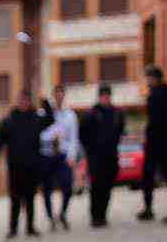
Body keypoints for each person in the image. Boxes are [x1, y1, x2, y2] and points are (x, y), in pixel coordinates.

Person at [0, 90, 54, 239]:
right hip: (15, 167)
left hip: (32, 166)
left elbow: (50, 119)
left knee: (31, 198)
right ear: (17, 101)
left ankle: (30, 227)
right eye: (21, 100)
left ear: (29, 102)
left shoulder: (36, 118)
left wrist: (44, 101)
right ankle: (13, 229)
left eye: (26, 100)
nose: (23, 102)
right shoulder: (9, 120)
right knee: (15, 199)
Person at [139, 65, 167, 223]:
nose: (147, 81)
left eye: (148, 78)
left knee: (150, 176)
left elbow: (156, 122)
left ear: (154, 78)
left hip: (158, 144)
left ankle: (150, 208)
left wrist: (149, 140)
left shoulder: (157, 95)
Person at [81, 85, 126, 228]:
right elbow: (83, 134)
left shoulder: (117, 113)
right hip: (96, 157)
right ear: (99, 97)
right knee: (96, 187)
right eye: (103, 96)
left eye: (108, 96)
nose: (106, 98)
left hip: (111, 155)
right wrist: (90, 151)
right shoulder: (91, 114)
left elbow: (119, 131)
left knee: (108, 187)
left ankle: (103, 215)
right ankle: (96, 217)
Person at [39, 84, 79, 231]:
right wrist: (50, 137)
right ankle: (51, 218)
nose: (59, 97)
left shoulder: (70, 115)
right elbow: (40, 133)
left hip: (63, 154)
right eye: (56, 94)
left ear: (64, 95)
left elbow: (74, 138)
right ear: (54, 96)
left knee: (67, 186)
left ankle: (62, 214)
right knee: (47, 188)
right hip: (47, 153)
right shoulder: (44, 113)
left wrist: (71, 156)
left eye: (61, 94)